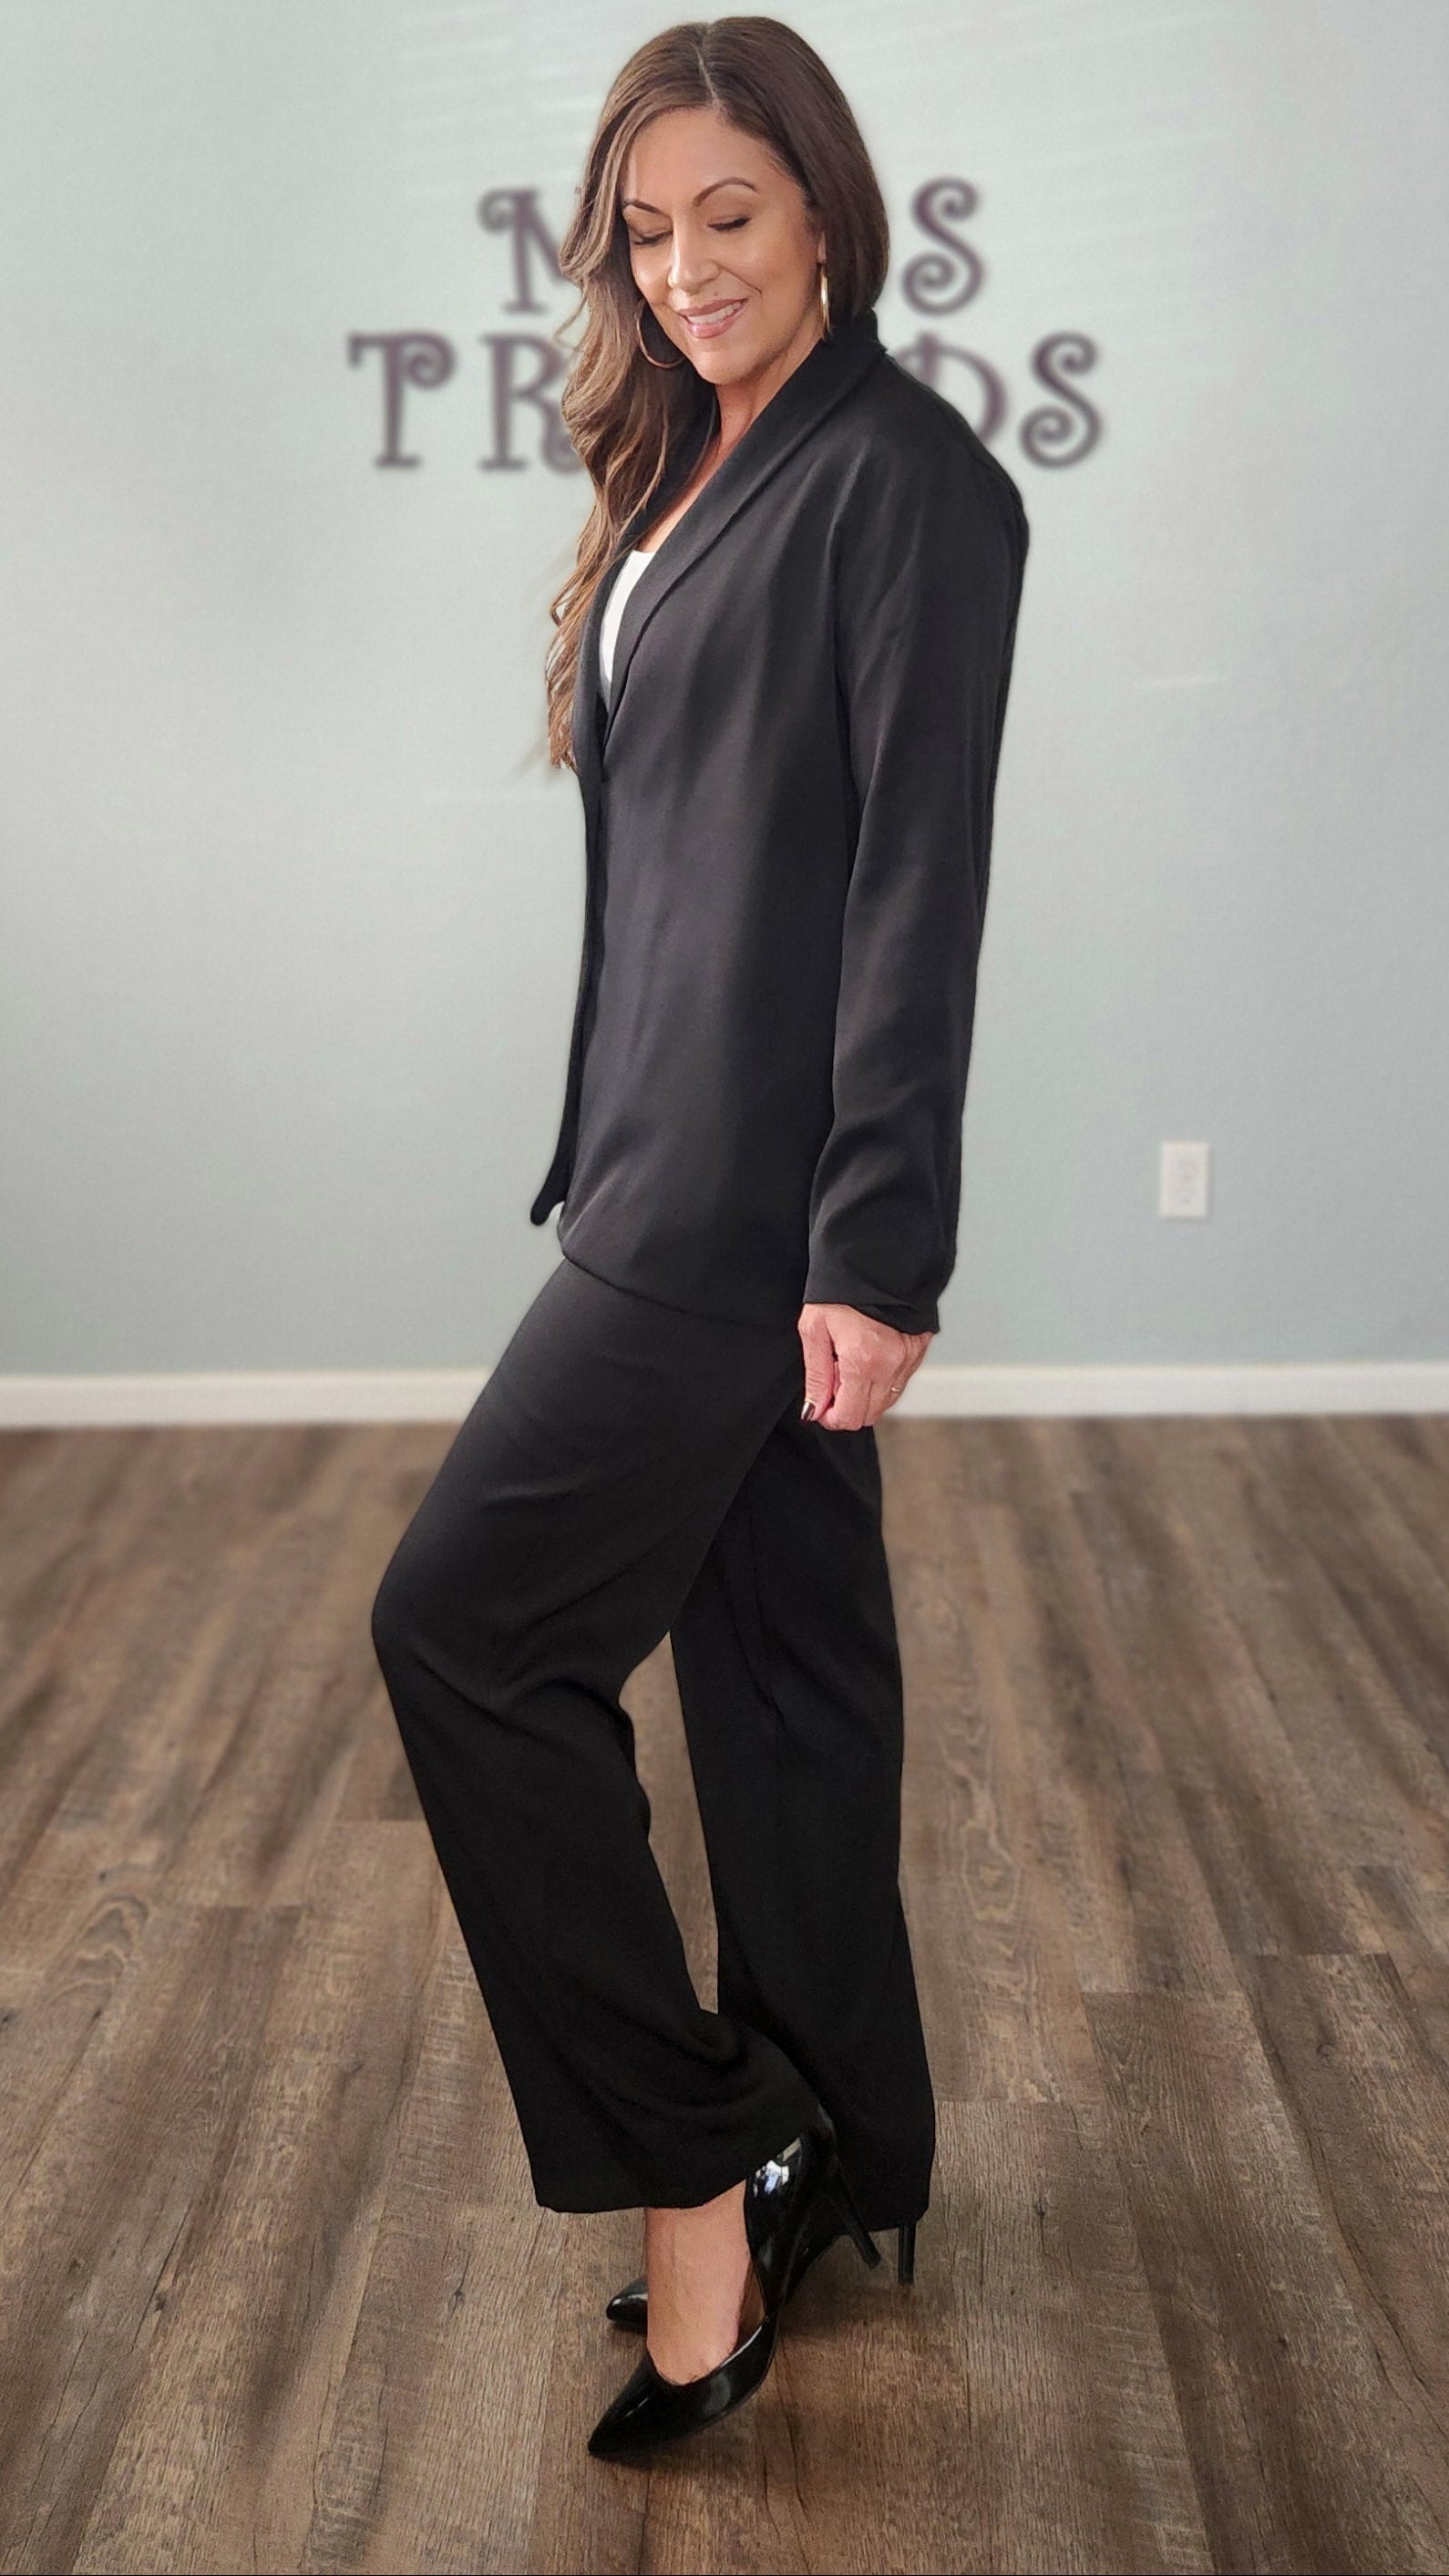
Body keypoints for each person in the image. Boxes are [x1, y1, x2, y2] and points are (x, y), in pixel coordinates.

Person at [370, 14, 1029, 2460]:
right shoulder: (695, 457)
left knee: (462, 1634)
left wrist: (878, 1245)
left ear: (828, 210)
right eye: (644, 232)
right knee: (784, 1677)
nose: (681, 269)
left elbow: (911, 892)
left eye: (725, 217)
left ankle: (703, 2164)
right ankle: (838, 2131)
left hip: (748, 1213)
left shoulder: (910, 488)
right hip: (659, 1159)